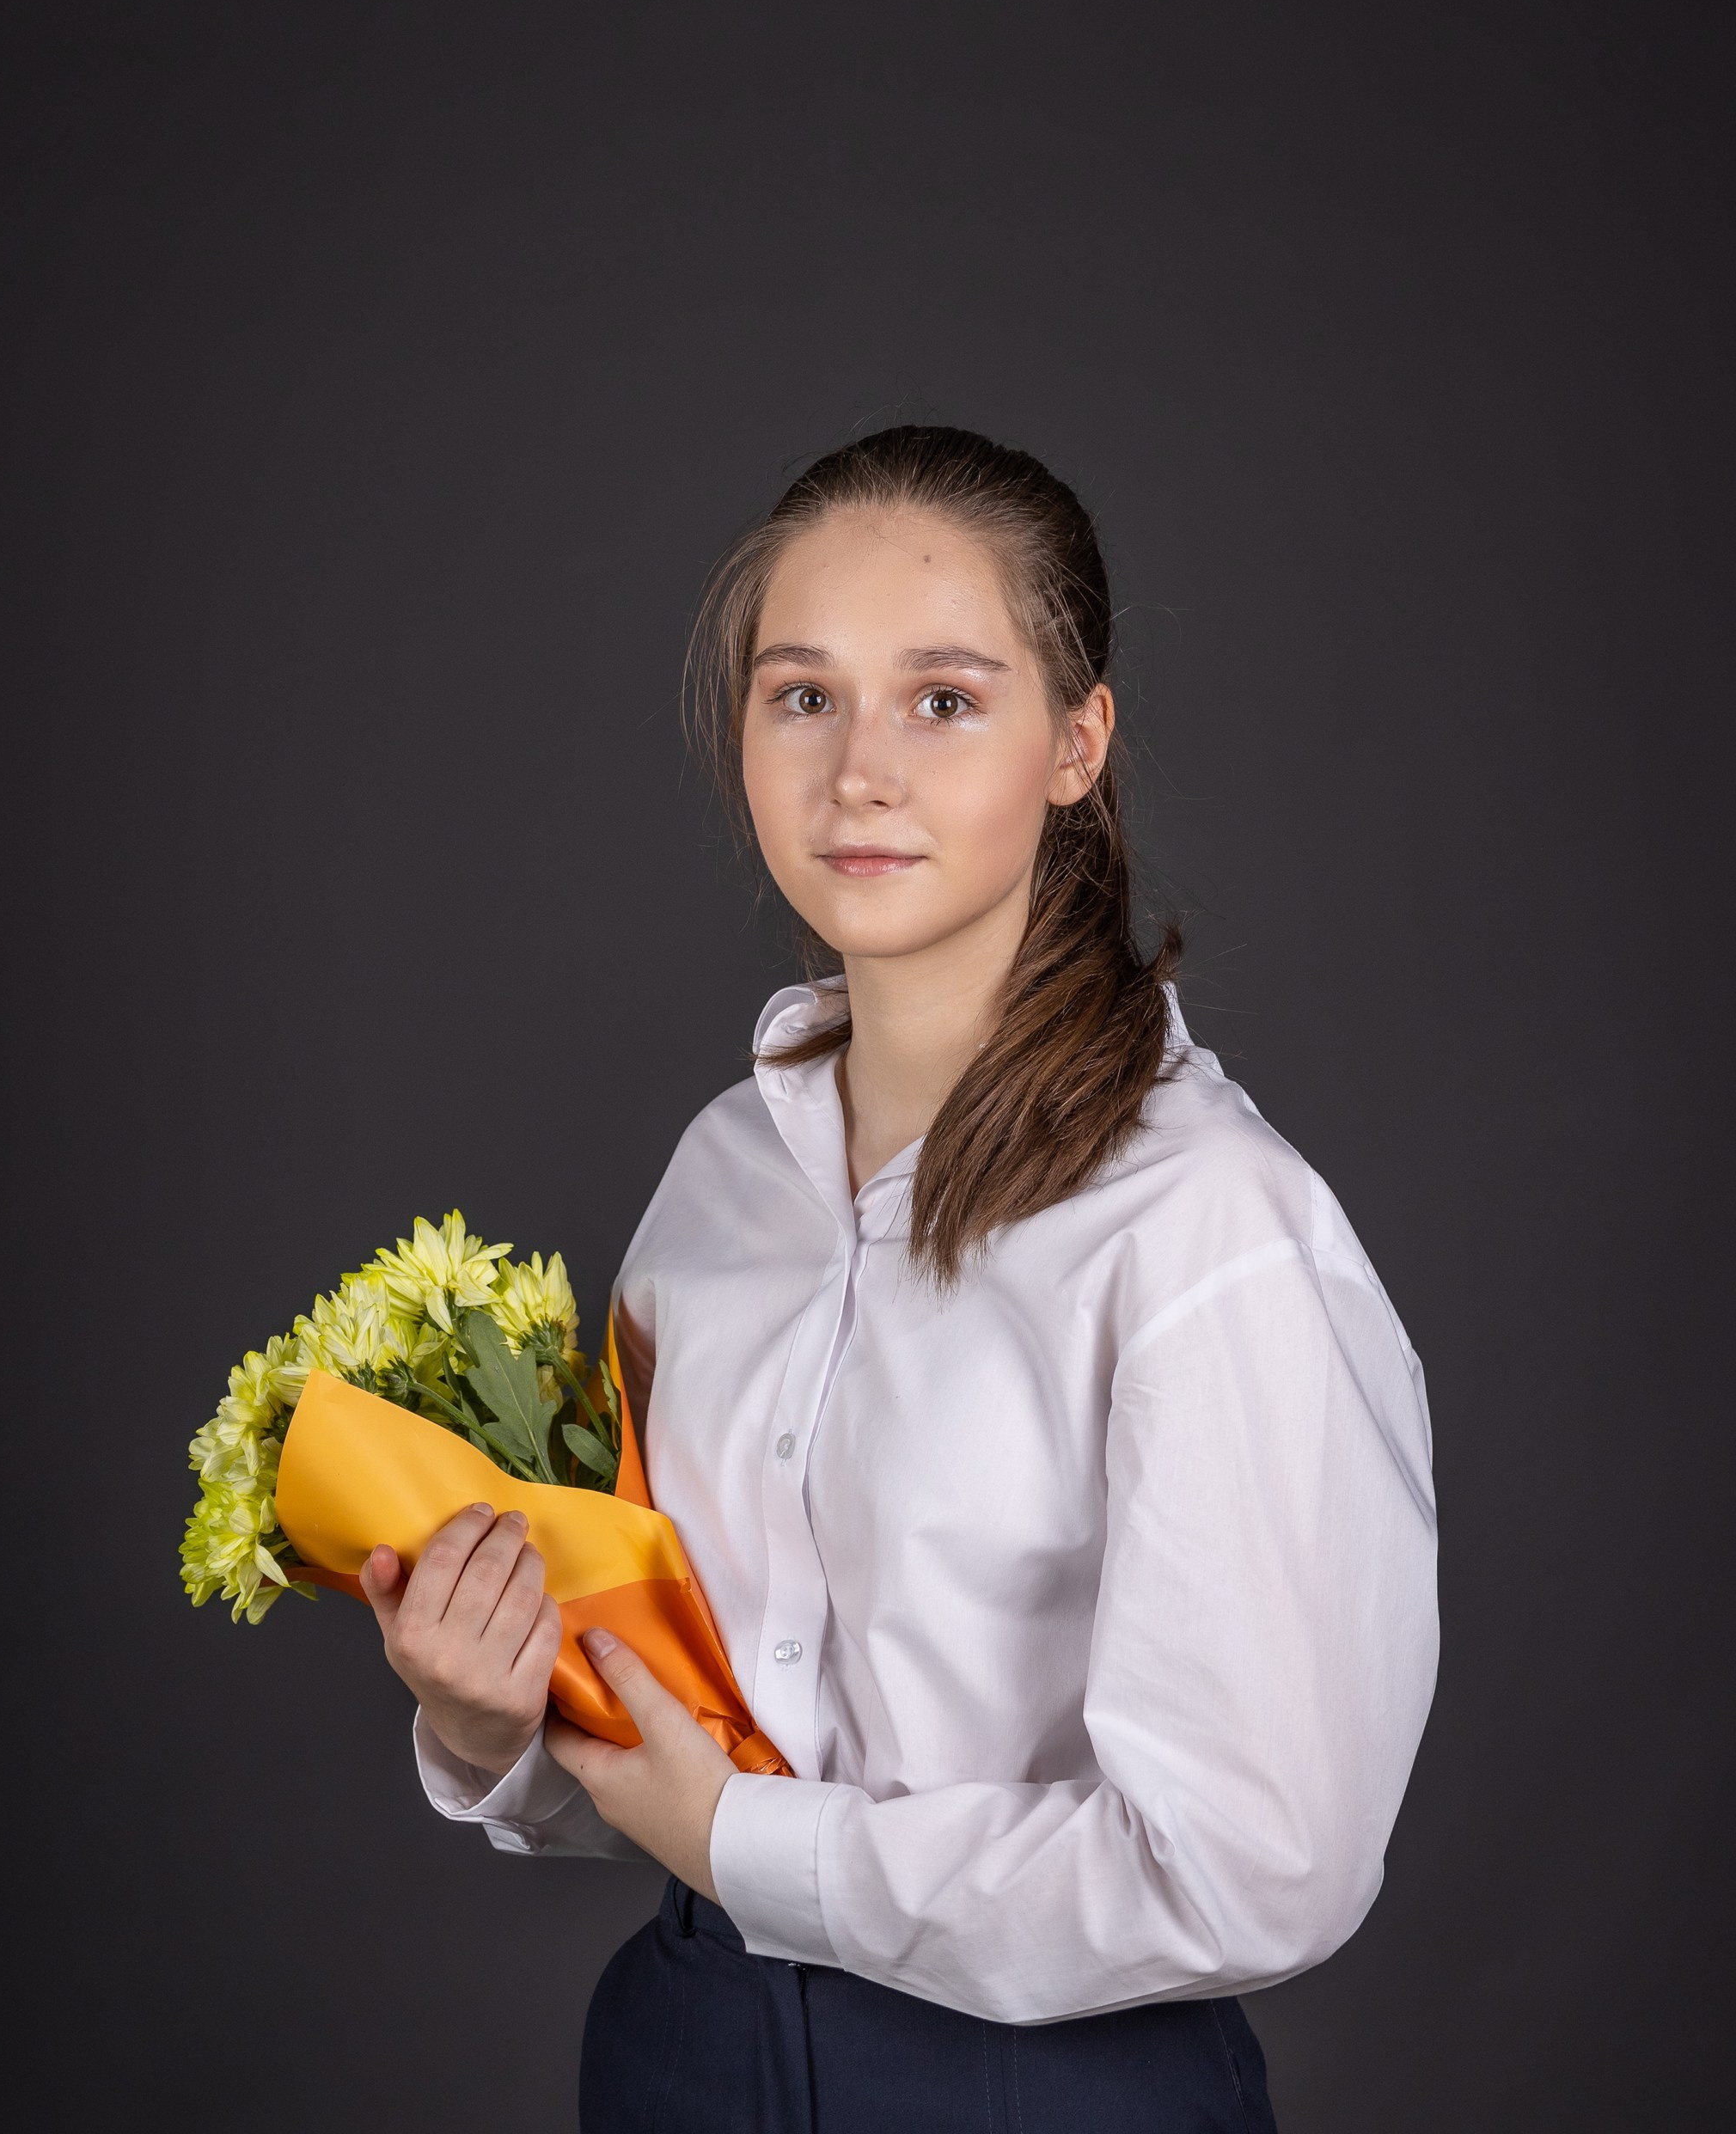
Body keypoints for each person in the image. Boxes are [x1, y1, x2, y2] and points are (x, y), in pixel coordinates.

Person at [358, 426, 1438, 2131]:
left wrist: (740, 1838)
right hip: (678, 2049)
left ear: (1076, 741)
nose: (860, 771)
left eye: (944, 698)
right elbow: (676, 1736)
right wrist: (486, 1708)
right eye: (802, 695)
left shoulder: (1207, 1230)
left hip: (1046, 2090)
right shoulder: (721, 1175)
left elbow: (1258, 1869)